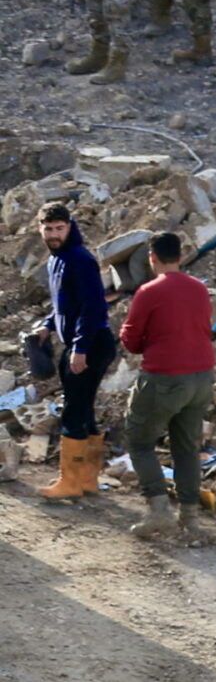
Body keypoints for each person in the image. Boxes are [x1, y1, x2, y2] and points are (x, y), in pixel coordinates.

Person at [119, 230, 216, 540]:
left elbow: (131, 340)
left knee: (139, 442)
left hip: (164, 378)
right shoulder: (200, 289)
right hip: (202, 377)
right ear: (181, 256)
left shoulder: (149, 291)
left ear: (152, 259)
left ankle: (160, 511)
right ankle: (190, 518)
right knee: (187, 448)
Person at [32, 201, 117, 502]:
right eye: (49, 229)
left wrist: (80, 349)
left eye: (59, 228)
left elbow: (93, 307)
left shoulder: (79, 259)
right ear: (40, 229)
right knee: (83, 408)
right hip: (84, 342)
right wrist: (47, 325)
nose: (54, 234)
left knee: (73, 410)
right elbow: (64, 305)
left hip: (92, 343)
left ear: (70, 226)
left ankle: (70, 482)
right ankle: (87, 480)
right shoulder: (57, 259)